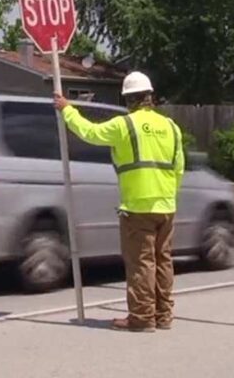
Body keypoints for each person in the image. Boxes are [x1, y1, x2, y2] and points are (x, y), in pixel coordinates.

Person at [54, 71, 184, 333]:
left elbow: (90, 132)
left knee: (141, 262)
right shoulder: (171, 127)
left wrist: (68, 110)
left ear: (128, 99)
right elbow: (179, 167)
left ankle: (142, 316)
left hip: (138, 205)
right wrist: (167, 195)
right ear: (150, 97)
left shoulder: (124, 125)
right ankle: (163, 315)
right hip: (166, 204)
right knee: (163, 261)